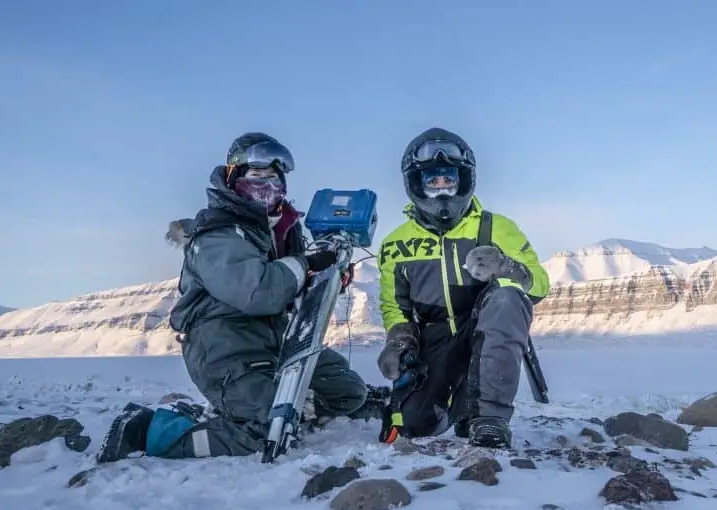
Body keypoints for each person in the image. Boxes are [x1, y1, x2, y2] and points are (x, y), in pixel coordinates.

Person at [96, 132, 375, 464]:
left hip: (275, 339)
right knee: (266, 429)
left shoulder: (284, 230)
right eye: (256, 176)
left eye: (273, 177)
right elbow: (258, 292)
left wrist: (328, 276)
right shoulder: (217, 234)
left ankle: (267, 405)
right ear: (234, 178)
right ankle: (151, 430)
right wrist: (305, 264)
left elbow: (295, 287)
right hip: (222, 346)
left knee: (349, 393)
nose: (266, 184)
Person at [375, 127, 550, 449]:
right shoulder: (395, 243)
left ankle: (489, 418)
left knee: (507, 298)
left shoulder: (497, 227)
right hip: (436, 334)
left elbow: (539, 286)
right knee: (415, 424)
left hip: (486, 324)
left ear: (463, 180)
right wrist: (399, 341)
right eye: (432, 181)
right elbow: (394, 305)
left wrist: (507, 267)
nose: (442, 188)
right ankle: (459, 405)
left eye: (449, 179)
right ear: (416, 185)